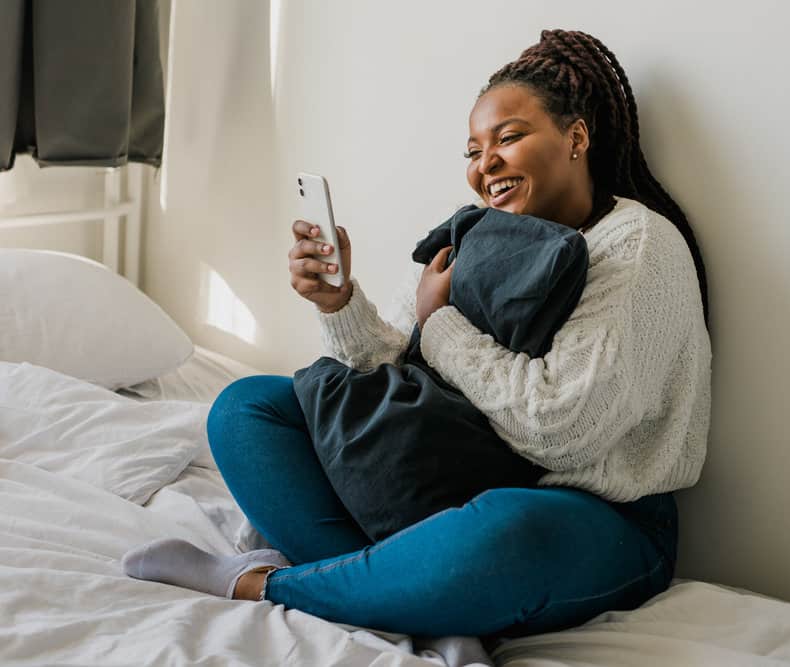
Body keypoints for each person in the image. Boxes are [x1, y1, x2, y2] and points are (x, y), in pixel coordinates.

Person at [122, 28, 712, 642]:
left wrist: (441, 320)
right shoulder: (479, 236)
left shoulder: (638, 247)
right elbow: (402, 367)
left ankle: (264, 584)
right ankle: (408, 598)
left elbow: (563, 429)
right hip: (453, 472)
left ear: (577, 137)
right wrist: (340, 301)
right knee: (245, 411)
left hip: (592, 514)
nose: (486, 165)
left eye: (508, 139)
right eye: (473, 151)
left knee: (502, 533)